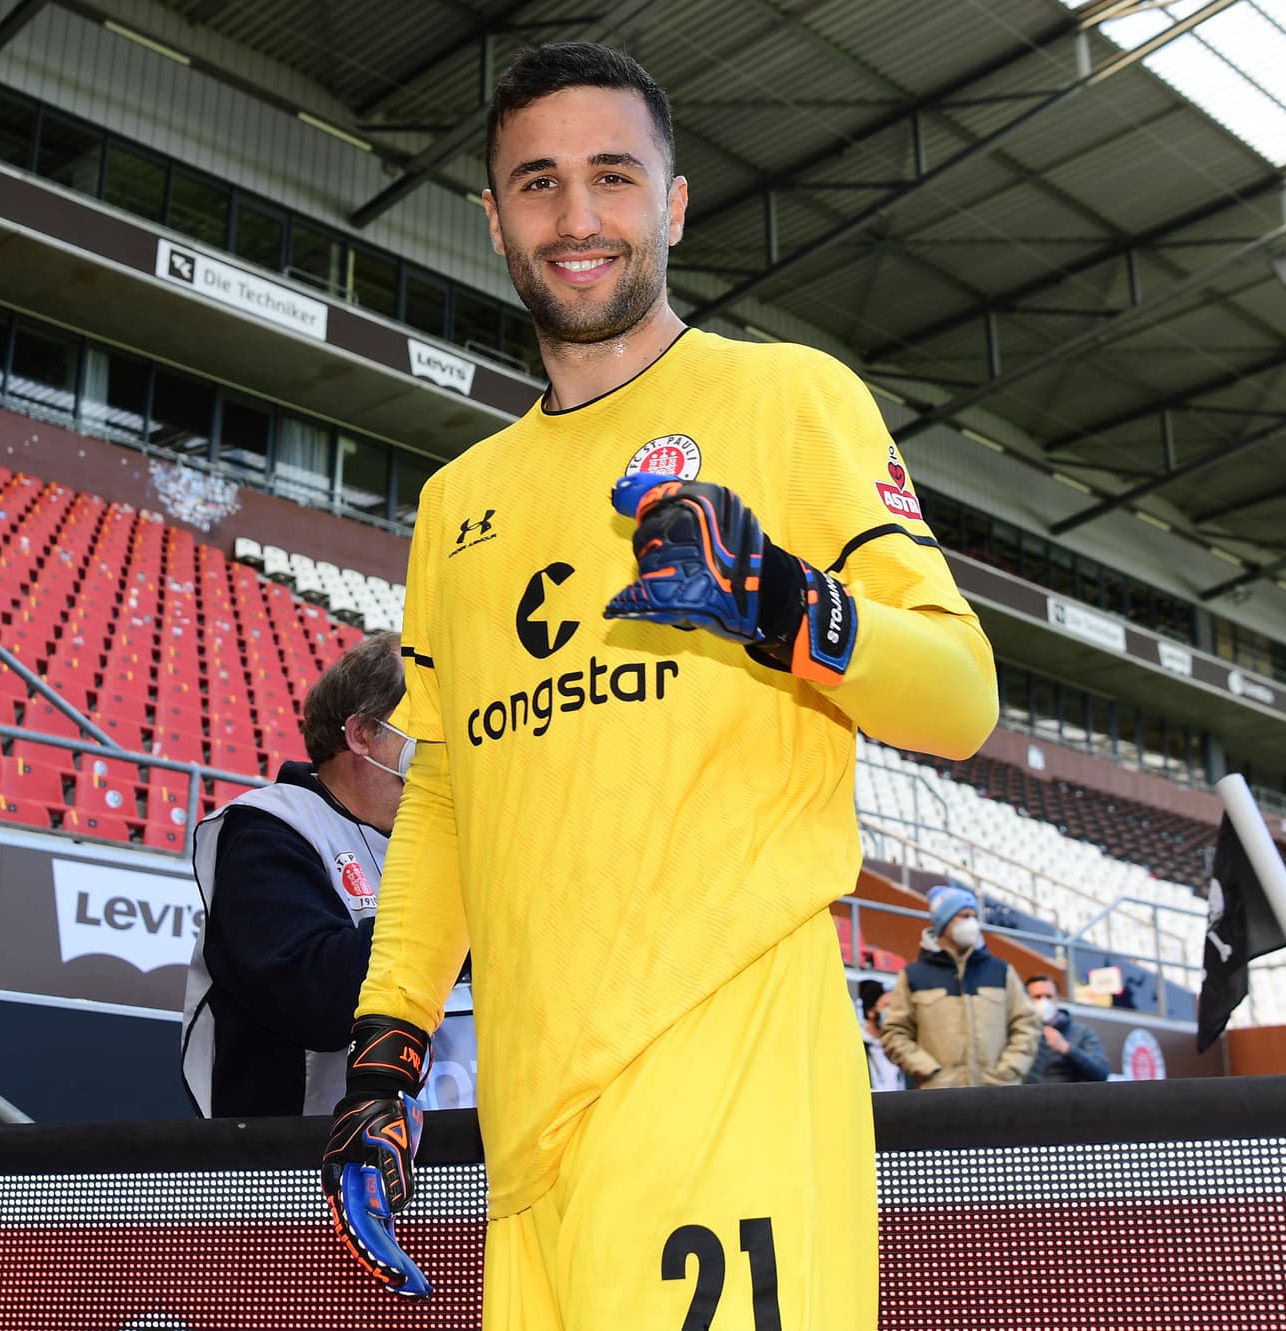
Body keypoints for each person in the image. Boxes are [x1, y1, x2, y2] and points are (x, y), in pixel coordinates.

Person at [317, 41, 998, 1330]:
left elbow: (961, 696)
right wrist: (386, 1054)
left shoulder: (787, 399)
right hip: (526, 1142)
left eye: (614, 177)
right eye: (538, 183)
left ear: (673, 205)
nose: (578, 218)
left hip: (729, 1094)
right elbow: (451, 790)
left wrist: (782, 602)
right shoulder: (456, 502)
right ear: (494, 220)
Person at [180, 633, 413, 1117]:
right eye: (422, 724)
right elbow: (318, 999)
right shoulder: (267, 827)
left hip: (424, 1158)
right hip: (289, 1171)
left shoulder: (420, 842)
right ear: (363, 734)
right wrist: (449, 907)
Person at [881, 885, 1040, 1089]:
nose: (972, 923)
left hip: (999, 1096)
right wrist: (931, 1072)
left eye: (974, 916)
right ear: (943, 921)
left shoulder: (1001, 971)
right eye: (964, 916)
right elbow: (895, 1033)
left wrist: (1006, 1072)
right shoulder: (914, 975)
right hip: (941, 1100)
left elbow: (1027, 1025)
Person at [1023, 974, 1111, 1084]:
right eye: (1037, 997)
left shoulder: (1081, 1032)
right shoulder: (1019, 1033)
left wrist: (1067, 1049)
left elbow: (1102, 1073)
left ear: (1057, 999)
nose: (1043, 1002)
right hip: (1027, 1097)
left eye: (1049, 996)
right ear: (1026, 1000)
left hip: (1067, 1098)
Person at [859, 978, 906, 1092]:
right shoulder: (857, 1046)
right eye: (886, 1005)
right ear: (870, 1011)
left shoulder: (899, 1044)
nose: (891, 1012)